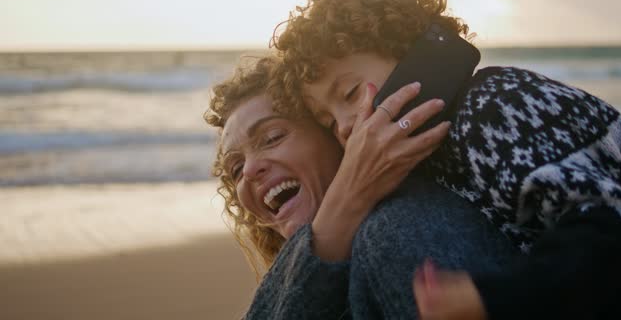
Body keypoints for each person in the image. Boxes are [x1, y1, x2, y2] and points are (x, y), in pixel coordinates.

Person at [271, 0, 621, 319]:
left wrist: (493, 298)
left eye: (351, 93)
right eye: (327, 120)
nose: (346, 126)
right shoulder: (433, 155)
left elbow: (606, 219)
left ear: (412, 55)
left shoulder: (493, 106)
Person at [204, 56, 520, 319]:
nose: (249, 169)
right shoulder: (311, 277)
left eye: (273, 137)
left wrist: (347, 197)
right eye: (235, 169)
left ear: (341, 137)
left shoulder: (399, 229)